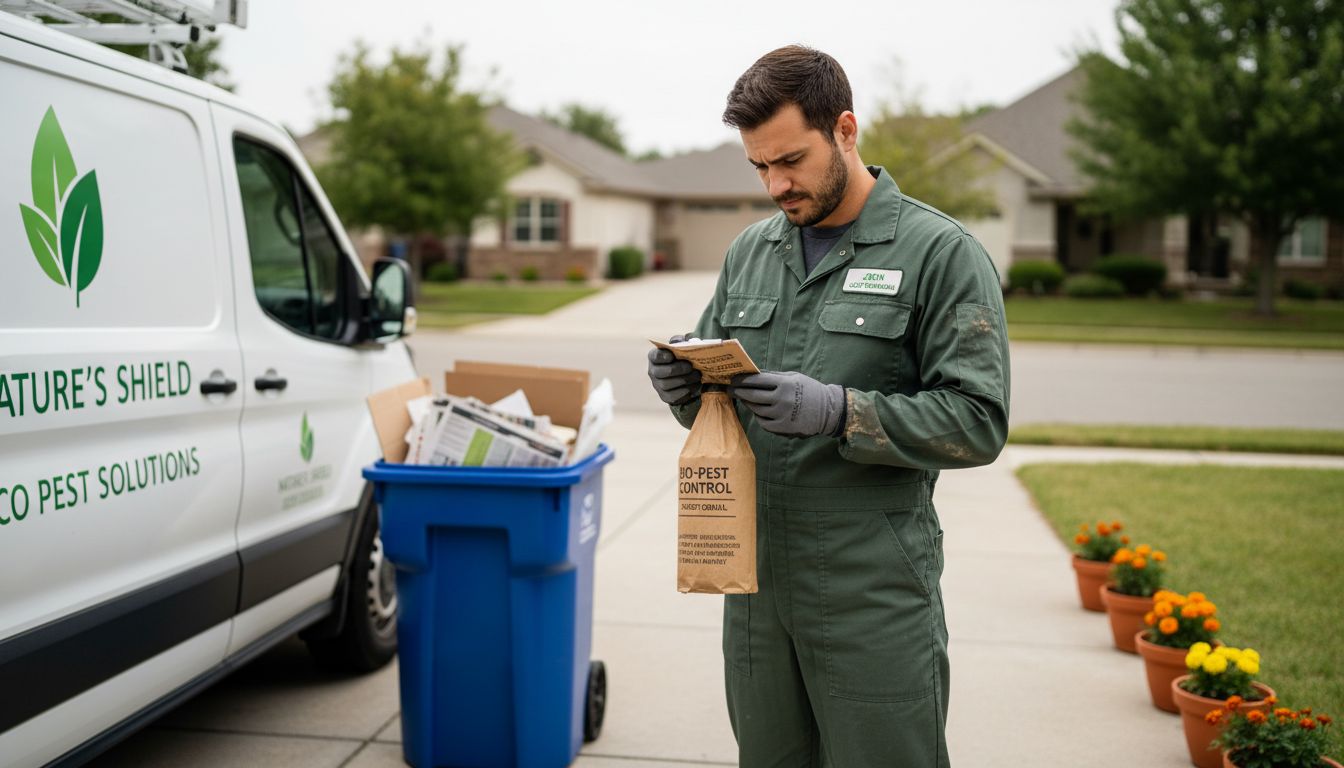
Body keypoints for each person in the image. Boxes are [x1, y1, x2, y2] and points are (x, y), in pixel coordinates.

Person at [646, 46, 1010, 767]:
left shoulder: (939, 253)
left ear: (845, 129)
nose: (776, 184)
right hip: (755, 586)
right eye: (759, 167)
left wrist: (844, 413)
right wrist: (687, 392)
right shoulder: (752, 252)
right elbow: (728, 410)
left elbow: (978, 422)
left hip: (869, 588)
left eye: (791, 160)